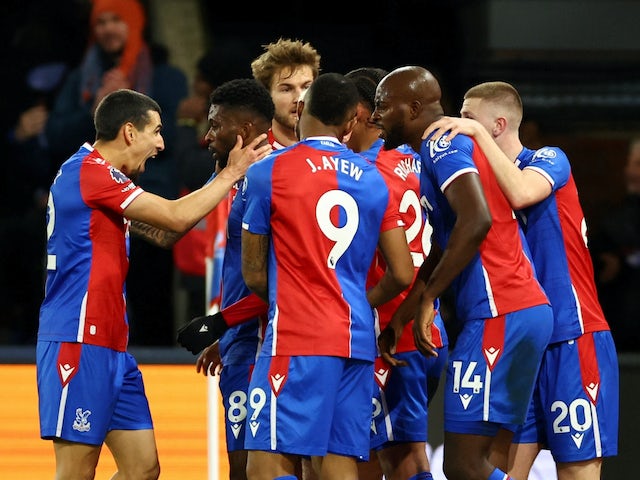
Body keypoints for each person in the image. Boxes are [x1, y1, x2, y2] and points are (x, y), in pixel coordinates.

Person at [36, 88, 270, 480]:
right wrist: (232, 172)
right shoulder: (91, 172)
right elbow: (176, 218)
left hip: (112, 345)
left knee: (143, 468)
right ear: (130, 132)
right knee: (76, 471)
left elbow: (164, 233)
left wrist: (220, 177)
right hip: (78, 340)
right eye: (156, 132)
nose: (162, 143)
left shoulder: (103, 180)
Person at [424, 82, 620, 479]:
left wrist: (475, 135)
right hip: (522, 336)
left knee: (576, 469)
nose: (457, 126)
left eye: (467, 118)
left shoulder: (549, 159)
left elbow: (522, 193)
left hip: (573, 333)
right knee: (499, 467)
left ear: (497, 125)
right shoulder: (477, 184)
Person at [373, 66, 554, 480]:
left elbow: (476, 221)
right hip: (517, 310)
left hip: (500, 311)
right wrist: (406, 312)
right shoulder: (431, 153)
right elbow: (444, 242)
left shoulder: (441, 145)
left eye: (385, 104)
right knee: (489, 461)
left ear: (414, 106)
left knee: (462, 464)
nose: (376, 114)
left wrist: (430, 299)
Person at [240, 72, 414, 479]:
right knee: (338, 466)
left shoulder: (270, 172)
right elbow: (401, 272)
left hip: (296, 338)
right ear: (352, 122)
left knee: (266, 465)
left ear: (300, 111)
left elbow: (253, 273)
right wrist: (353, 302)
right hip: (355, 339)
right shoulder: (373, 178)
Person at [43, 0, 189, 346]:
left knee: (150, 300)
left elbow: (168, 225)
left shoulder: (165, 75)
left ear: (135, 24)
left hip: (150, 194)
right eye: (101, 22)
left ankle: (151, 358)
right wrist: (97, 107)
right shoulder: (81, 78)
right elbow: (55, 134)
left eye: (117, 21)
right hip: (80, 332)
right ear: (127, 130)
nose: (108, 29)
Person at [344, 67, 449, 480]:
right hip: (428, 327)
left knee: (390, 460)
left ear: (357, 113)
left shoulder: (362, 175)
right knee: (401, 451)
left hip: (388, 334)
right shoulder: (416, 161)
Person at [182, 78, 274, 480]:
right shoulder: (232, 176)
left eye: (216, 125)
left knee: (252, 468)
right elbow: (172, 227)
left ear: (246, 129)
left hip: (265, 343)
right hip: (241, 341)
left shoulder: (270, 177)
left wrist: (224, 321)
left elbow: (284, 278)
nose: (207, 137)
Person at [591, 137, 640, 352]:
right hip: (621, 331)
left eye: (637, 165)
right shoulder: (615, 216)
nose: (631, 171)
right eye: (631, 164)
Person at [251, 37, 321, 148]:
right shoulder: (254, 155)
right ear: (267, 95)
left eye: (306, 87)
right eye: (286, 89)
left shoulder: (339, 147)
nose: (299, 98)